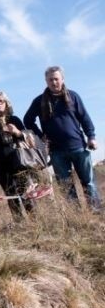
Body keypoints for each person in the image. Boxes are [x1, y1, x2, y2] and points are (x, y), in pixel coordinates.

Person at [23, 66, 101, 211]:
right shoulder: (39, 101)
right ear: (46, 81)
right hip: (56, 151)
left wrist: (91, 136)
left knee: (88, 182)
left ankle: (95, 212)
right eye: (50, 79)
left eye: (56, 79)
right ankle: (77, 216)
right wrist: (40, 136)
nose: (53, 82)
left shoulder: (73, 96)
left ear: (62, 79)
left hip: (78, 147)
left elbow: (85, 118)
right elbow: (27, 120)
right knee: (66, 186)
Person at [0, 91, 37, 221]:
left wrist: (17, 132)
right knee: (11, 196)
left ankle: (35, 224)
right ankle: (20, 225)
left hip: (19, 163)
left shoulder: (15, 119)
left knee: (27, 194)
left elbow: (30, 141)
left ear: (7, 104)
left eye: (2, 101)